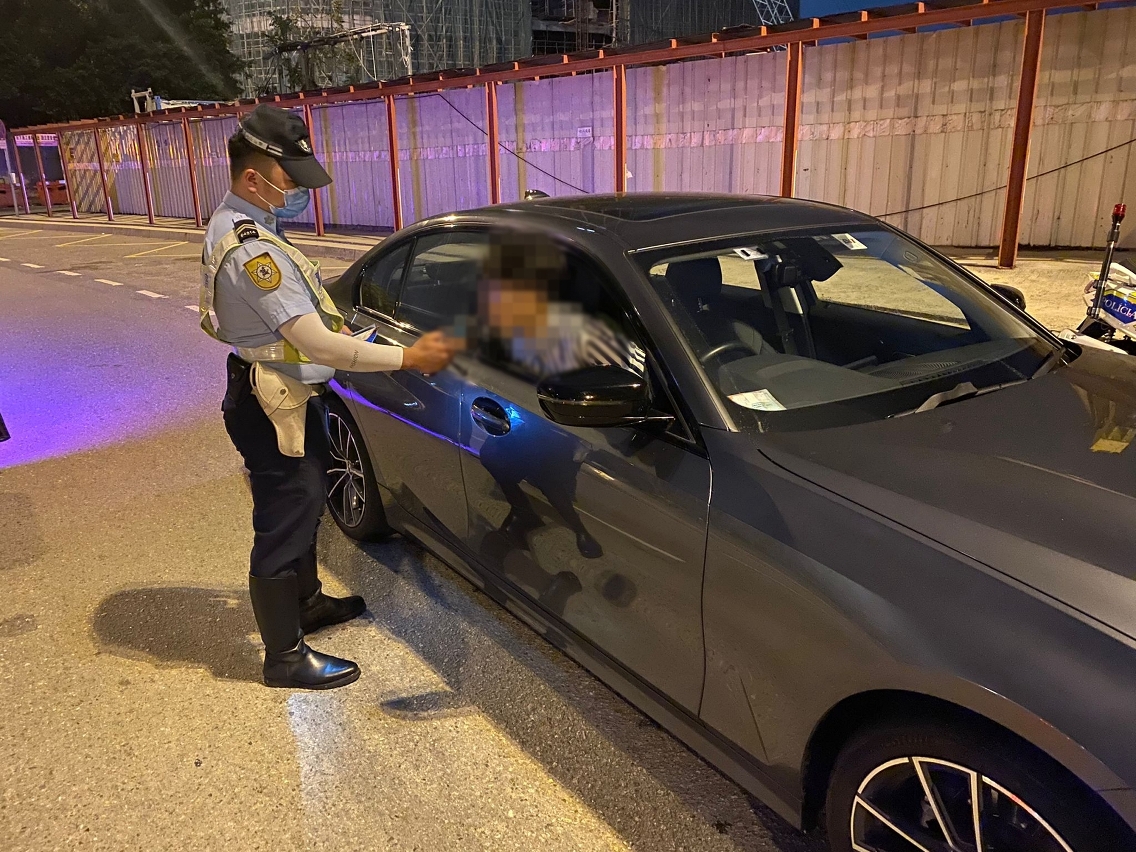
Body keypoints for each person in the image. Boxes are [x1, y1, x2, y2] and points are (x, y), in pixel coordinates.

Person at [199, 104, 455, 690]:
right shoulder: (252, 249)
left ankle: (307, 601)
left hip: (286, 391)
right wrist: (408, 358)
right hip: (271, 402)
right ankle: (284, 657)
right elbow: (316, 343)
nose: (298, 191)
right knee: (284, 518)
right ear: (253, 178)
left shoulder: (249, 221)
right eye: (289, 180)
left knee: (308, 498)